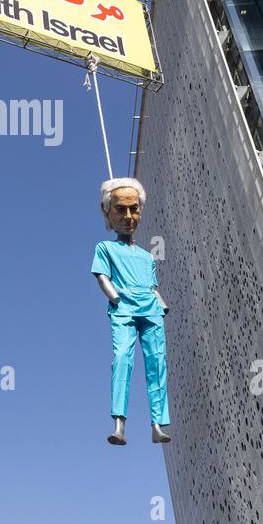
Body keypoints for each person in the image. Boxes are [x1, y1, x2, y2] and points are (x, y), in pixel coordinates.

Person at [91, 177, 171, 446]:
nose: (128, 216)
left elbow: (152, 284)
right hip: (123, 306)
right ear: (108, 211)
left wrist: (160, 302)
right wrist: (114, 298)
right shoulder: (105, 248)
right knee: (123, 357)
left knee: (156, 362)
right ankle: (119, 424)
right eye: (121, 209)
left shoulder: (148, 256)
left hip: (150, 308)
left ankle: (158, 423)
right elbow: (102, 277)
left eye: (133, 209)